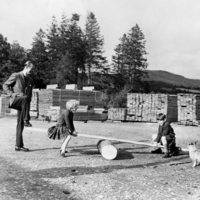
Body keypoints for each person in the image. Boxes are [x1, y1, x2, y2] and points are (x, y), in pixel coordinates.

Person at [3, 61, 34, 152]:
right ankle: (27, 120)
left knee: (20, 124)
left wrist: (28, 103)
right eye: (30, 70)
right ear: (26, 67)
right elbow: (5, 85)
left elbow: (30, 93)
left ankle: (18, 145)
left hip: (24, 103)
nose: (31, 72)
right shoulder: (16, 75)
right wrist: (11, 94)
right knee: (24, 98)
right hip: (16, 100)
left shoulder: (30, 80)